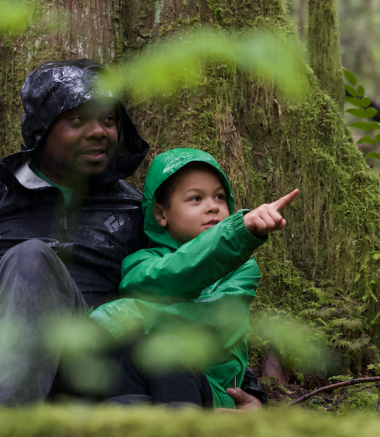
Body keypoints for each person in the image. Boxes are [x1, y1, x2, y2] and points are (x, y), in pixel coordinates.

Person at [0, 60, 265, 407]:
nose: (100, 132)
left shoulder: (134, 210)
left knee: (31, 258)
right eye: (79, 120)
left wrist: (241, 388)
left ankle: (6, 425)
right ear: (42, 128)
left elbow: (185, 284)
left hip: (69, 365)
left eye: (109, 120)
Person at [89, 148, 297, 409]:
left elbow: (211, 319)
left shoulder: (242, 268)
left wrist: (129, 312)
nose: (213, 206)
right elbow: (172, 276)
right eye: (196, 198)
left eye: (220, 197)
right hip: (146, 388)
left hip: (213, 390)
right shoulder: (140, 263)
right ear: (161, 214)